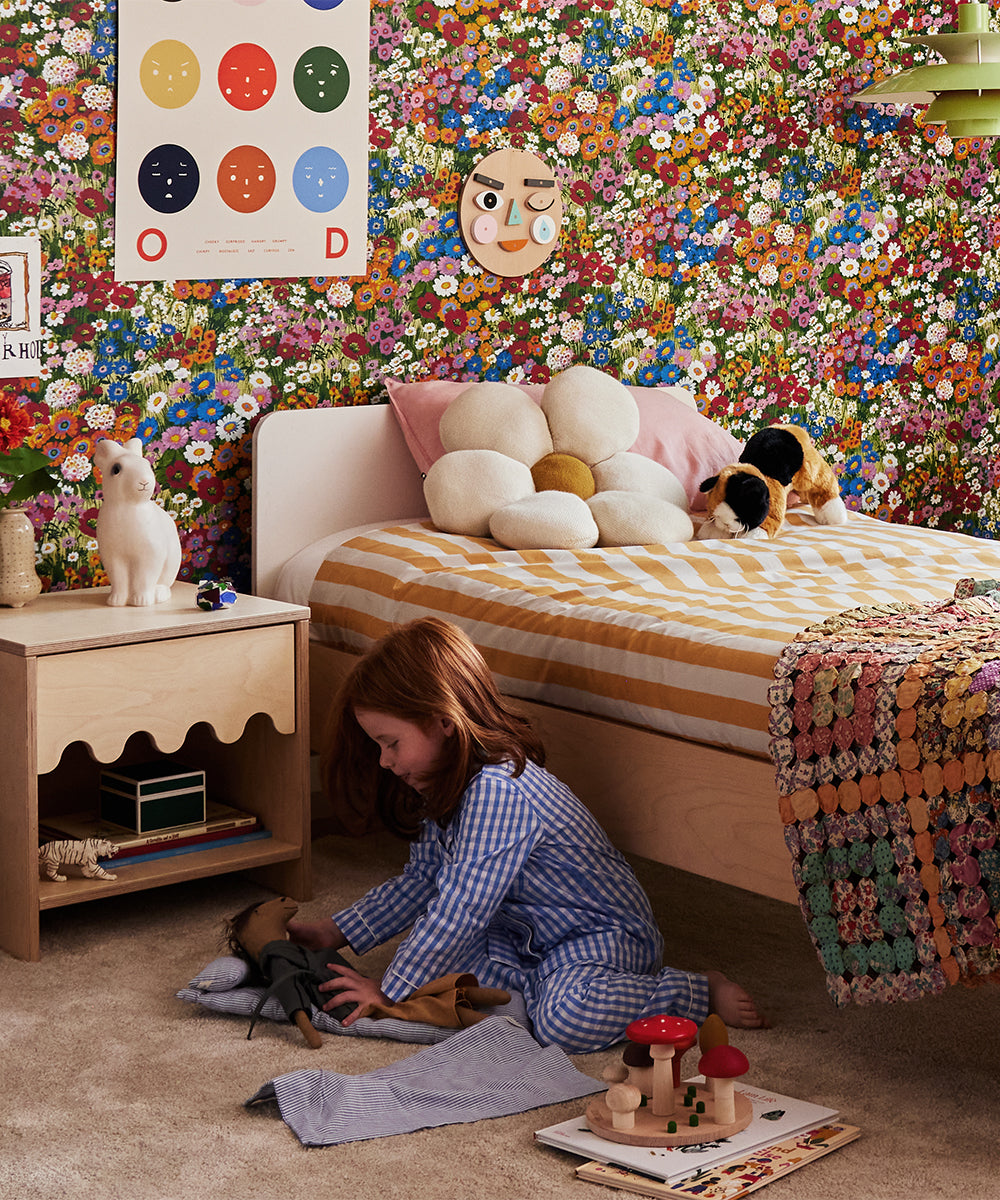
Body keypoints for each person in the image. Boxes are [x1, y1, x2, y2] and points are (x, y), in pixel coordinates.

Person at [289, 616, 767, 1054]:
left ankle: (694, 990)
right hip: (525, 936)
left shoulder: (498, 790)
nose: (384, 762)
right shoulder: (444, 787)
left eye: (390, 743)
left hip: (597, 934)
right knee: (456, 970)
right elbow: (421, 883)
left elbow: (460, 910)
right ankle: (537, 991)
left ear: (444, 723)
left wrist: (388, 991)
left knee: (564, 1020)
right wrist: (337, 930)